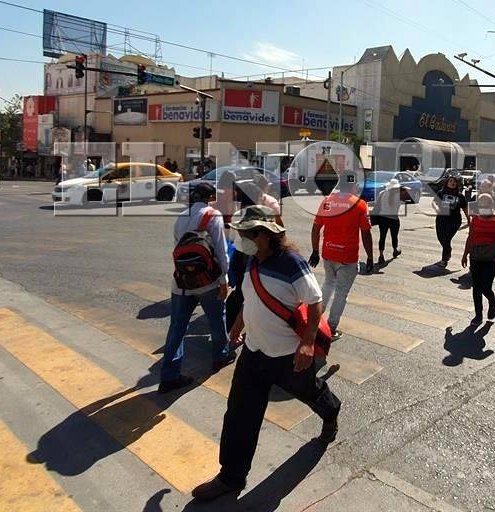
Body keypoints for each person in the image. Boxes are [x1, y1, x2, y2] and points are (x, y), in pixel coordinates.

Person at [191, 205, 341, 502]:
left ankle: (331, 414)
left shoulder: (291, 263)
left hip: (287, 356)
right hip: (253, 352)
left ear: (263, 235)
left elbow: (315, 302)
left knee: (312, 392)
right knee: (238, 414)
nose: (240, 238)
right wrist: (236, 326)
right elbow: (251, 298)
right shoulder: (252, 260)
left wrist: (308, 343)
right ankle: (231, 477)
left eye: (246, 233)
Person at [159, 182, 232, 392]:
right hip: (207, 282)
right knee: (217, 320)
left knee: (177, 327)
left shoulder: (181, 216)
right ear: (209, 197)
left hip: (181, 282)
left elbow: (176, 248)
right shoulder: (213, 215)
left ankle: (169, 375)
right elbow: (221, 250)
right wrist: (223, 280)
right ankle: (221, 355)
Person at [309, 172, 373, 340]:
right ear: (354, 185)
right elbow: (366, 234)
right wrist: (371, 257)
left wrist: (315, 251)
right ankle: (331, 328)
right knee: (341, 293)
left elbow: (316, 228)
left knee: (328, 284)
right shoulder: (360, 204)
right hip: (348, 257)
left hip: (328, 254)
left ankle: (314, 320)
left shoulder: (327, 201)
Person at [461, 193, 495, 324]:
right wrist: (465, 254)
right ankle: (478, 315)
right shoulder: (476, 219)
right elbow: (470, 237)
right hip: (476, 256)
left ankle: (492, 302)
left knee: (486, 286)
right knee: (476, 287)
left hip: (492, 257)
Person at [433, 175, 469, 267]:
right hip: (441, 219)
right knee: (441, 238)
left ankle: (444, 260)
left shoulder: (460, 195)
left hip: (454, 220)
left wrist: (469, 220)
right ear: (447, 183)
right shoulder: (441, 193)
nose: (452, 183)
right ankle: (448, 249)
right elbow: (434, 202)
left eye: (454, 182)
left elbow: (465, 208)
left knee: (446, 239)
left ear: (457, 184)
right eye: (450, 181)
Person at [371, 178, 405, 265]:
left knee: (382, 237)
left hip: (383, 218)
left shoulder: (382, 193)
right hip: (394, 219)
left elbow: (377, 205)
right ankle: (395, 250)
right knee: (394, 236)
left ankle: (381, 255)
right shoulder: (399, 195)